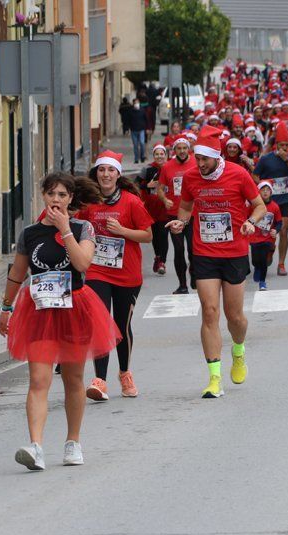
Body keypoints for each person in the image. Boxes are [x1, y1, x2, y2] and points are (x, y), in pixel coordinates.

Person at [0, 173, 120, 471]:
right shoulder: (29, 233)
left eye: (63, 195)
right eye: (52, 194)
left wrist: (65, 228)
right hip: (39, 311)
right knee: (39, 380)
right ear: (43, 195)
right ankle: (36, 447)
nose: (56, 199)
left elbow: (83, 263)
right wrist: (6, 306)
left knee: (73, 380)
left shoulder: (83, 228)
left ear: (70, 199)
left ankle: (73, 442)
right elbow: (17, 273)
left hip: (73, 310)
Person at [166, 126, 267, 398]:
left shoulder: (238, 174)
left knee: (235, 317)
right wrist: (182, 221)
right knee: (209, 312)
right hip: (204, 252)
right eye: (197, 158)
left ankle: (238, 350)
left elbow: (260, 206)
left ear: (216, 156)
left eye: (204, 160)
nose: (199, 164)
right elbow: (186, 207)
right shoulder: (191, 177)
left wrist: (249, 222)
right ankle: (214, 378)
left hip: (234, 253)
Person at [76, 151, 153, 400]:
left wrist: (122, 231)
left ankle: (125, 373)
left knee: (121, 325)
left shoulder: (131, 202)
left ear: (118, 175)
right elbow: (77, 227)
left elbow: (147, 235)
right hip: (98, 270)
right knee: (100, 322)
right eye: (101, 170)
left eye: (110, 170)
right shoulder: (89, 203)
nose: (106, 174)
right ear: (96, 174)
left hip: (127, 274)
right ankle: (99, 380)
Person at [253, 122, 288, 277]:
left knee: (284, 229)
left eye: (286, 145)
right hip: (269, 200)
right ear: (275, 145)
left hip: (286, 198)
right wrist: (262, 187)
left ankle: (281, 264)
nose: (284, 148)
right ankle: (270, 248)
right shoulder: (266, 159)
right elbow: (255, 175)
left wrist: (286, 160)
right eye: (281, 145)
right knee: (266, 230)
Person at [157, 138, 196, 293]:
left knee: (193, 250)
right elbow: (160, 188)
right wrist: (165, 199)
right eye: (178, 148)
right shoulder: (167, 167)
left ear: (188, 149)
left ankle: (194, 275)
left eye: (184, 148)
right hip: (174, 214)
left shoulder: (195, 163)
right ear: (174, 150)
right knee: (179, 250)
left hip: (192, 214)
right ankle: (182, 285)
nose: (181, 151)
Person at [138, 143, 170, 275]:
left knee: (164, 235)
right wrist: (147, 185)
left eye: (162, 154)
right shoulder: (147, 169)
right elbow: (136, 184)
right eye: (157, 154)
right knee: (155, 235)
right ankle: (157, 257)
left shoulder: (170, 168)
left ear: (165, 155)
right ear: (153, 156)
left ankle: (162, 261)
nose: (159, 156)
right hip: (151, 207)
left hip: (165, 206)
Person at [249, 181, 282, 291]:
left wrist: (275, 230)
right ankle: (257, 267)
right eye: (263, 190)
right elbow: (246, 217)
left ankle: (262, 282)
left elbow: (279, 222)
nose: (265, 192)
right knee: (255, 260)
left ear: (271, 192)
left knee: (263, 260)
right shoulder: (253, 206)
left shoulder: (275, 207)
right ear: (258, 192)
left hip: (267, 238)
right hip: (254, 237)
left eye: (267, 190)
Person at [128, 99, 148, 164]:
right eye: (135, 103)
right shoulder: (131, 111)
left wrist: (147, 128)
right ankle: (136, 159)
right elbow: (128, 120)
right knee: (135, 145)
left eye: (137, 103)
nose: (136, 104)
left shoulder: (142, 110)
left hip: (141, 130)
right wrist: (128, 128)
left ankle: (142, 156)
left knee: (142, 143)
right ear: (133, 104)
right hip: (133, 130)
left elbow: (146, 119)